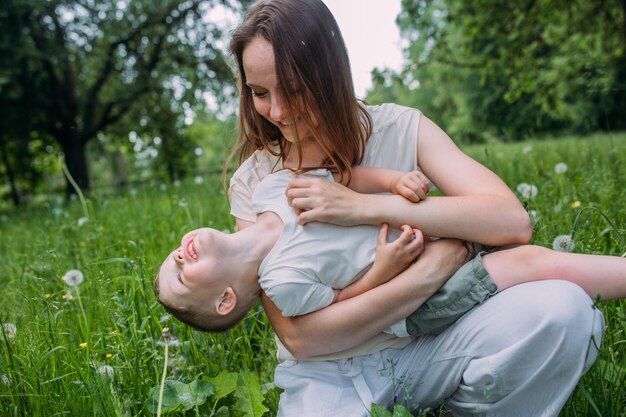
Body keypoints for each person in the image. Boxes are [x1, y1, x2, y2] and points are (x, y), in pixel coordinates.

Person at [221, 0, 606, 415]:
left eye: (294, 90)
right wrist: (429, 270)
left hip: (439, 339)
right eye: (260, 94)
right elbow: (302, 338)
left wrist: (369, 207)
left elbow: (510, 221)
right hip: (328, 371)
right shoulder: (255, 182)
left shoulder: (400, 127)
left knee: (567, 313)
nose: (277, 111)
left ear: (329, 73)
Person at [155, 165, 625, 339]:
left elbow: (347, 178)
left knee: (504, 231)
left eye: (172, 255)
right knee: (533, 261)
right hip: (419, 297)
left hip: (417, 231)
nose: (179, 255)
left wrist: (391, 182)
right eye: (180, 273)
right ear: (224, 302)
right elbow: (344, 301)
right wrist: (382, 270)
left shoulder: (270, 189)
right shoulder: (283, 283)